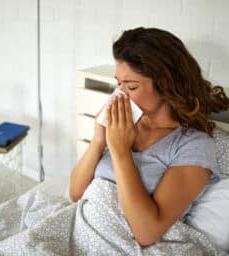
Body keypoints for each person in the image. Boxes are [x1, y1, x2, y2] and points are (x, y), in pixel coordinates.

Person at [69, 27, 229, 246]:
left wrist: (121, 151)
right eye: (118, 84)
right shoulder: (125, 124)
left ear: (165, 85)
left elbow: (147, 232)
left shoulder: (193, 145)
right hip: (82, 229)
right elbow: (76, 193)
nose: (120, 95)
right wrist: (98, 140)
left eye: (131, 86)